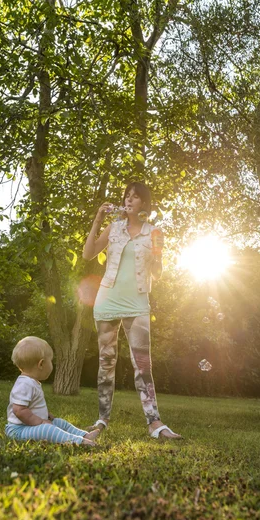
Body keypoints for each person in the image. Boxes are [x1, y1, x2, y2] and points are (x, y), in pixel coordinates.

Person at [83, 182, 181, 439]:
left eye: (135, 197)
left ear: (144, 205)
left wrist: (157, 257)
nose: (128, 200)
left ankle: (155, 424)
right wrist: (97, 220)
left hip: (137, 302)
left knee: (142, 364)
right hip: (108, 299)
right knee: (106, 363)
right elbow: (88, 254)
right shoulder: (113, 228)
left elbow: (158, 274)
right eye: (127, 196)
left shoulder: (154, 233)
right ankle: (102, 420)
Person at [5, 336, 99, 446]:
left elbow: (30, 406)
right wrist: (40, 422)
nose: (52, 364)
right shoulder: (25, 384)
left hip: (28, 425)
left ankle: (84, 435)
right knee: (47, 430)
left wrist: (44, 414)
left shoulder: (31, 382)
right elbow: (19, 410)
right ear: (41, 364)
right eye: (51, 361)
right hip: (18, 430)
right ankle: (78, 441)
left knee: (59, 422)